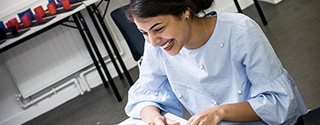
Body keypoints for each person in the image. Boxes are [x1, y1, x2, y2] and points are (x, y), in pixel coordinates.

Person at [124, 0, 307, 124]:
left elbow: (279, 101)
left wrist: (220, 112)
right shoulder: (157, 45)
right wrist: (154, 119)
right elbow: (145, 96)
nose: (153, 41)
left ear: (185, 12)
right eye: (144, 33)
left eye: (159, 29)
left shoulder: (239, 30)